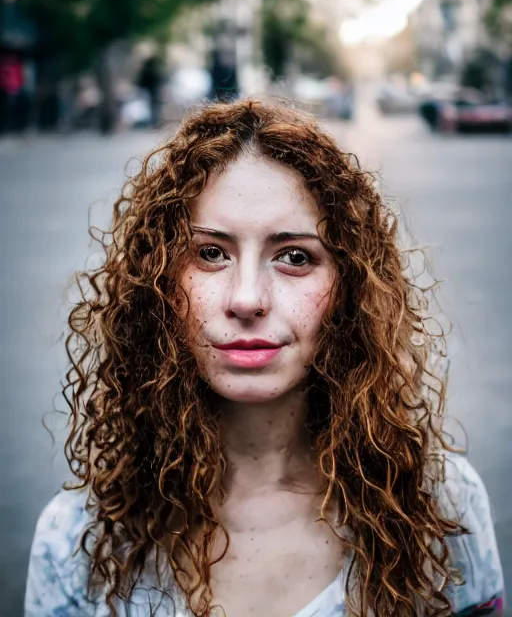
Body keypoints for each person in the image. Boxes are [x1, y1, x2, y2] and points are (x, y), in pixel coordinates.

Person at [25, 99, 504, 616]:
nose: (247, 298)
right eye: (210, 253)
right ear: (159, 280)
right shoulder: (79, 537)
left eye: (295, 257)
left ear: (348, 287)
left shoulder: (437, 504)